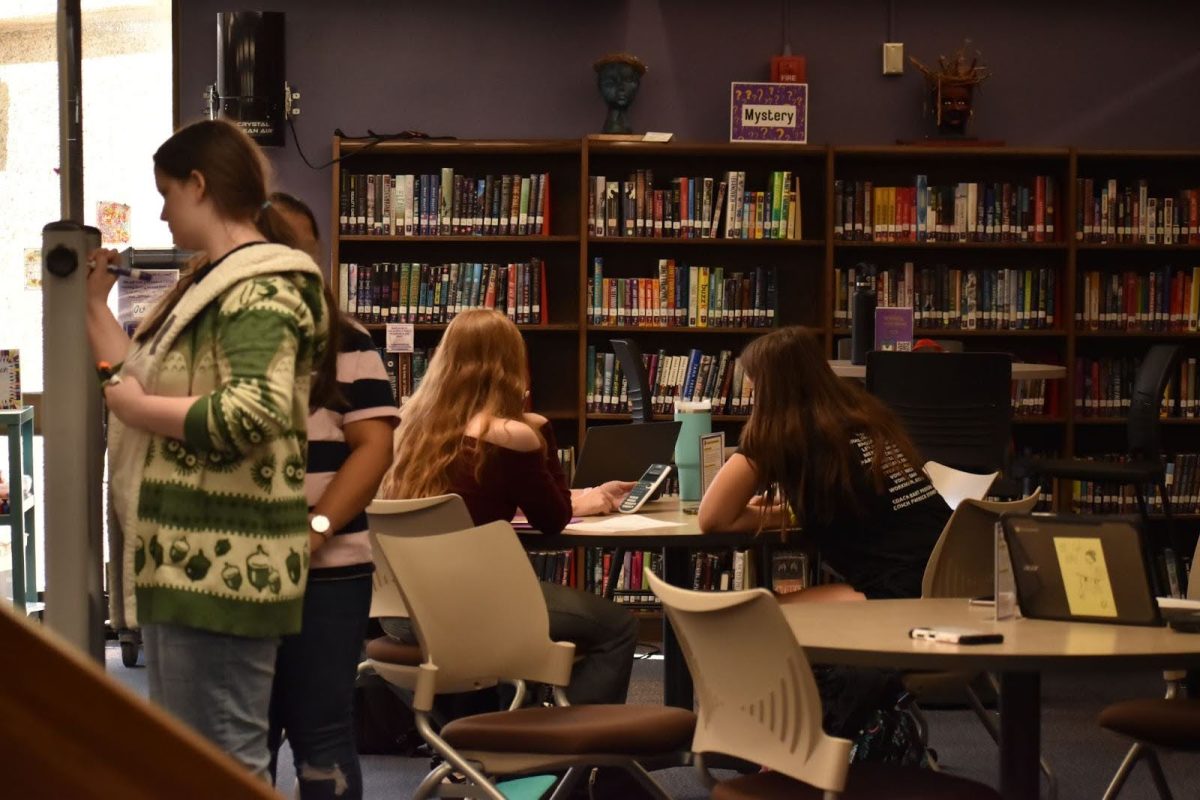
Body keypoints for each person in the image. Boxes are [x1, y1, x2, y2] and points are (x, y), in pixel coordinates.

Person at [85, 119, 330, 778]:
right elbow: (133, 381)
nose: (162, 213)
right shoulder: (207, 283)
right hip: (183, 560)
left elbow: (255, 409)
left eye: (167, 194)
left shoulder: (267, 285)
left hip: (224, 567)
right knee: (193, 765)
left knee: (224, 766)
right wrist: (90, 305)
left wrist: (138, 408)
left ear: (200, 185)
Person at [379, 308, 639, 706]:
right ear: (511, 365)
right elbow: (552, 521)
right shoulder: (509, 435)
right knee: (616, 626)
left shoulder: (406, 428)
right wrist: (542, 432)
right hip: (471, 610)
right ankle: (583, 759)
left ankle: (492, 735)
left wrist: (579, 498)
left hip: (398, 612)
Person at [265, 192, 398, 799]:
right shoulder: (229, 339)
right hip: (247, 568)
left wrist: (317, 529)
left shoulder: (348, 341)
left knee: (322, 731)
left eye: (303, 250)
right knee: (249, 735)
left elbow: (373, 448)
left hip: (331, 570)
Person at [698, 325, 951, 601]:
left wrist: (766, 514)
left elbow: (711, 518)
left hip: (901, 594)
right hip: (953, 579)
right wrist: (783, 513)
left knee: (760, 614)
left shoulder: (779, 433)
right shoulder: (866, 416)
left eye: (755, 386)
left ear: (769, 388)